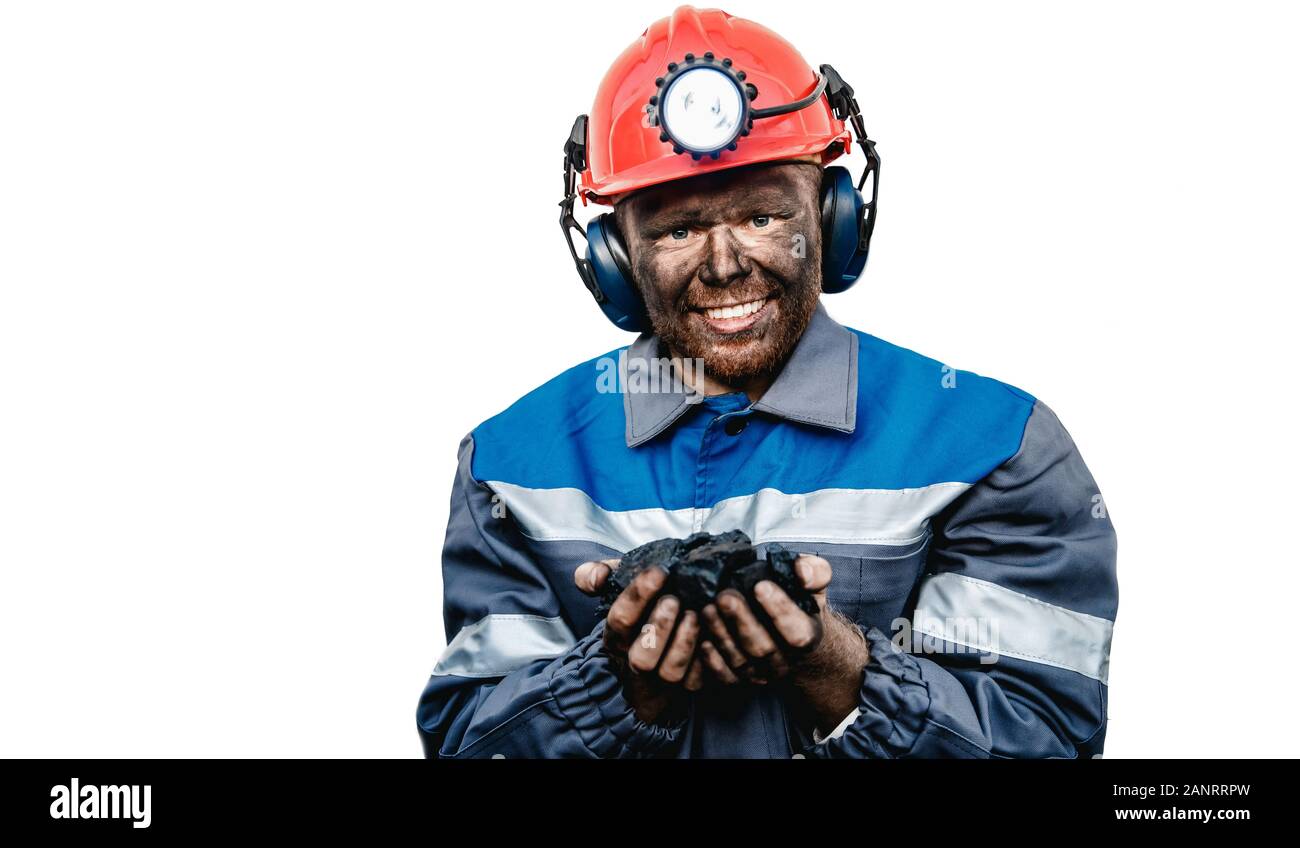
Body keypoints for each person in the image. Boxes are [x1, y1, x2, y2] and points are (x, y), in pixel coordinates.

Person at [416, 5, 1117, 758]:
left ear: (833, 216)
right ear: (614, 258)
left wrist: (837, 668)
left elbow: (1045, 739)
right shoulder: (508, 465)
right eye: (679, 229)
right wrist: (615, 683)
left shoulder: (994, 445)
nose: (724, 265)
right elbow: (469, 746)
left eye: (760, 216)